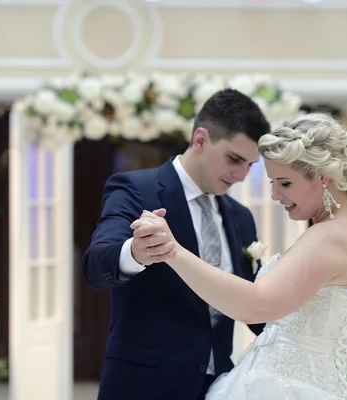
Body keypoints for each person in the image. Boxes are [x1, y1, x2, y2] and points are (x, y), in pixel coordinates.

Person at [131, 113, 347, 400]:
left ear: (324, 178)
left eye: (285, 183)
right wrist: (320, 355)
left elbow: (255, 307)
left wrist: (173, 251)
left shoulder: (328, 237)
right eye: (272, 182)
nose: (275, 195)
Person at [81, 88, 271, 400]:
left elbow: (255, 307)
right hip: (143, 386)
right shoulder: (134, 188)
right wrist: (135, 253)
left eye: (251, 165)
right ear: (200, 140)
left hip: (220, 387)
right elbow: (95, 265)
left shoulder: (241, 217)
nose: (241, 175)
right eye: (234, 159)